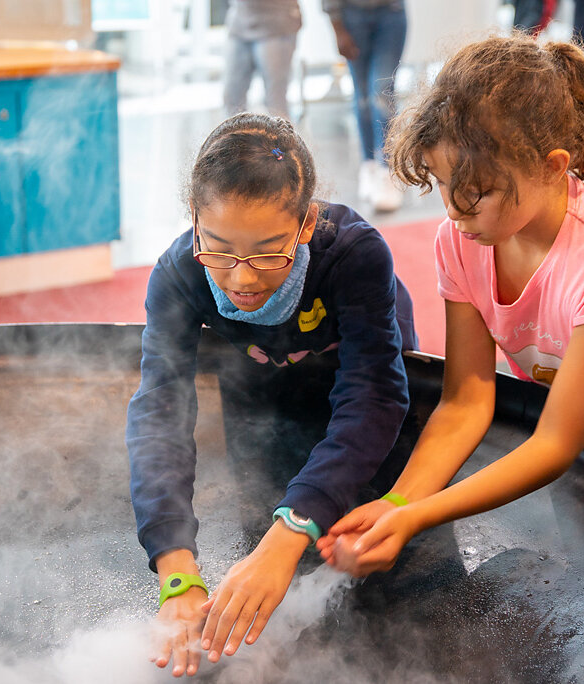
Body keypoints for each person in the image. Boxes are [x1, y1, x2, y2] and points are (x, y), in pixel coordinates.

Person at [317, 34, 584, 577]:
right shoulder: (462, 241)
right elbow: (466, 400)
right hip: (583, 431)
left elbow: (556, 442)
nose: (453, 211)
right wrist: (397, 503)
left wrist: (417, 517)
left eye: (476, 192)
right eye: (443, 184)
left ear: (552, 166)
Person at [126, 112, 419, 676]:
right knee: (260, 531)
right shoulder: (178, 274)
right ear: (194, 219)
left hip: (365, 388)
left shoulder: (353, 253)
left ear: (306, 223)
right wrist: (176, 569)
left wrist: (293, 531)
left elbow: (375, 396)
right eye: (219, 250)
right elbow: (161, 410)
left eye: (267, 252)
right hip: (264, 378)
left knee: (380, 559)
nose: (242, 278)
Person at [323, 0, 408, 212]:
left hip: (391, 12)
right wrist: (337, 27)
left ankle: (387, 170)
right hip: (351, 15)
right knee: (361, 95)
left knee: (382, 90)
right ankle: (369, 165)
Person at [223, 0, 302, 119]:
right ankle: (237, 132)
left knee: (275, 102)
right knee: (232, 97)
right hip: (239, 23)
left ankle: (281, 132)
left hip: (276, 25)